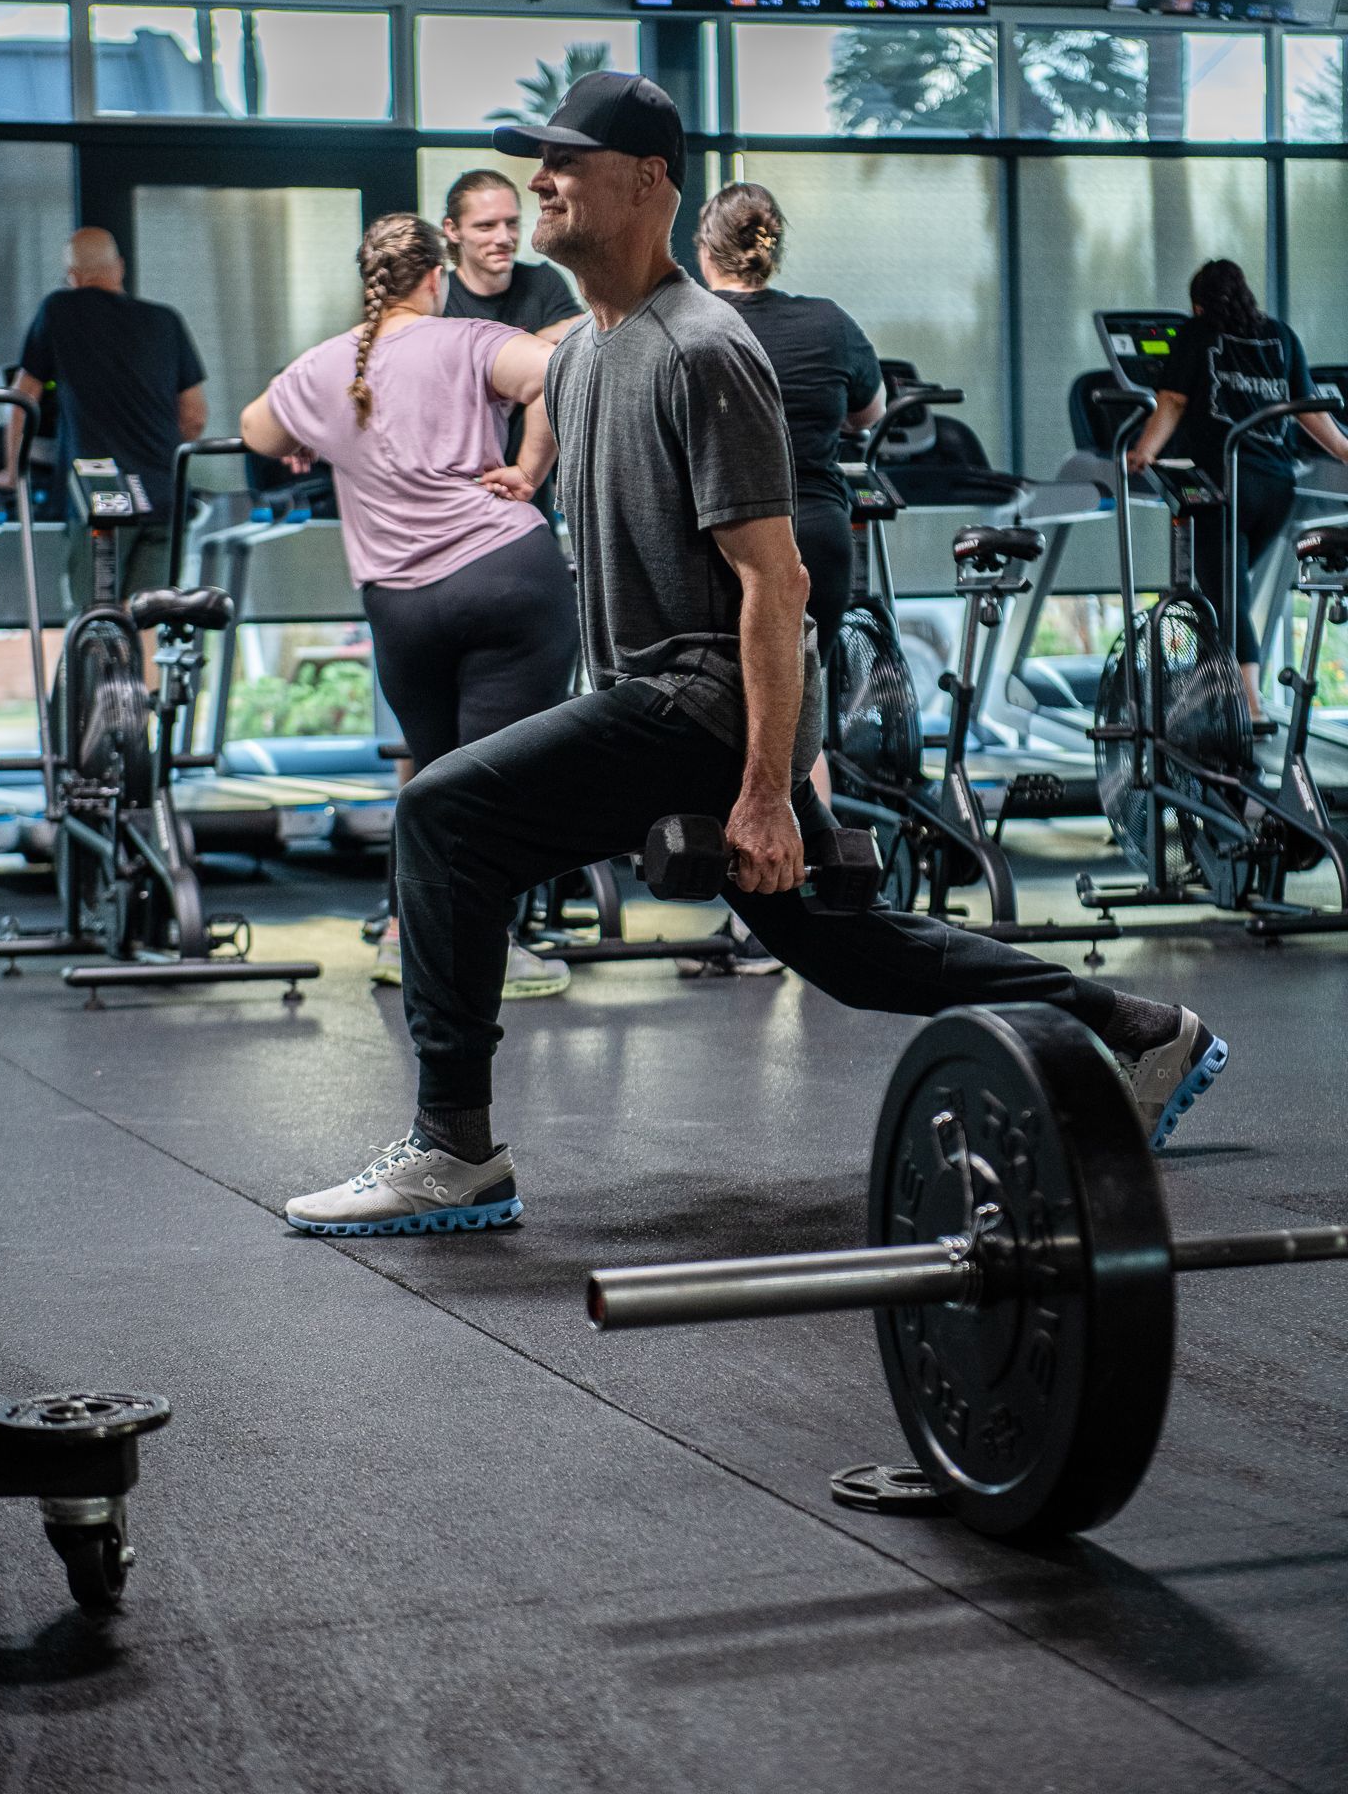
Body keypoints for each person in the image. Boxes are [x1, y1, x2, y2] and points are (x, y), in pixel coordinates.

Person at [282, 72, 1228, 1242]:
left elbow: (774, 584)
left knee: (442, 816)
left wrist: (770, 791)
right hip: (654, 700)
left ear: (646, 184)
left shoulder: (704, 348)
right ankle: (1133, 1026)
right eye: (539, 166)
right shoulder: (582, 358)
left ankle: (454, 1148)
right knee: (854, 957)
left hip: (707, 701)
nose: (540, 184)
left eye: (563, 164)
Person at [239, 212, 580, 1001]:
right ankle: (485, 948)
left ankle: (412, 938)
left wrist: (317, 435)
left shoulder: (326, 368)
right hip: (505, 578)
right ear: (436, 277)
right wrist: (528, 468)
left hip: (402, 605)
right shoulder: (465, 339)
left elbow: (258, 429)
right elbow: (564, 372)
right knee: (500, 782)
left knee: (435, 784)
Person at [684, 179, 885, 977]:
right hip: (819, 533)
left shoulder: (695, 322)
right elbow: (869, 414)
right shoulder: (829, 323)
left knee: (736, 718)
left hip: (734, 536)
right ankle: (798, 902)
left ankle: (771, 910)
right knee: (795, 713)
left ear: (704, 250)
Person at [1127, 258, 1348, 717]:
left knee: (1226, 596)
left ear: (1198, 304)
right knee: (1232, 591)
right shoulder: (1281, 336)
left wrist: (1144, 450)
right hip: (1276, 489)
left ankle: (1248, 706)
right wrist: (1346, 450)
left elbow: (1171, 400)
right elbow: (1308, 408)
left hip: (1220, 486)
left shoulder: (1197, 333)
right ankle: (1228, 690)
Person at [0, 227, 207, 610]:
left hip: (104, 491)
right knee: (148, 619)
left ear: (73, 277)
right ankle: (140, 673)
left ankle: (93, 668)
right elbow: (194, 416)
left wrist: (12, 472)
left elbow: (23, 400)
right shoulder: (166, 321)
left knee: (96, 618)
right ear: (119, 268)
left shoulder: (60, 310)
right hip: (164, 493)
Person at [441, 169, 586, 520]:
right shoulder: (440, 298)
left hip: (530, 493)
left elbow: (587, 334)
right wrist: (531, 349)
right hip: (459, 493)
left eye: (512, 223)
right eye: (486, 226)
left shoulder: (542, 281)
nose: (504, 237)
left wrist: (525, 351)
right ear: (452, 230)